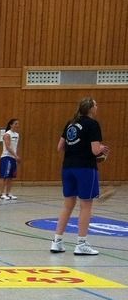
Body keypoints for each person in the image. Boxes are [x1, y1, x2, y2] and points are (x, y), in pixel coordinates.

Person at [50, 97, 109, 255]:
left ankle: (57, 241)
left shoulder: (70, 123)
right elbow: (95, 150)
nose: (97, 107)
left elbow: (60, 147)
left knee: (68, 205)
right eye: (96, 105)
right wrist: (102, 148)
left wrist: (76, 150)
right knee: (86, 206)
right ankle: (81, 243)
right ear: (91, 108)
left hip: (68, 167)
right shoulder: (93, 124)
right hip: (85, 169)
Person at [0, 118, 20, 200]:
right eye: (16, 123)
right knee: (4, 176)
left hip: (13, 158)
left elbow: (15, 147)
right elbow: (8, 147)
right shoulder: (7, 134)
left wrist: (16, 156)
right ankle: (1, 194)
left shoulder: (17, 135)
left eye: (18, 124)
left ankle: (8, 193)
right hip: (6, 157)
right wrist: (15, 155)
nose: (17, 125)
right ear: (11, 125)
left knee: (10, 176)